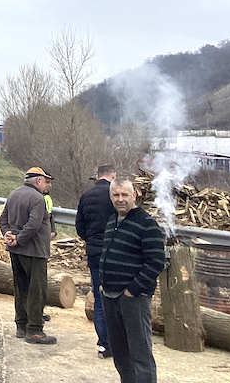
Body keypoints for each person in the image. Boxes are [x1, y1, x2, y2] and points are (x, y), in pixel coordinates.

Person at [99, 178, 165, 383]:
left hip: (133, 298)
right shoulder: (112, 221)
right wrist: (103, 283)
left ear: (134, 196)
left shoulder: (146, 224)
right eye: (116, 195)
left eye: (124, 195)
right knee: (120, 352)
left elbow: (156, 262)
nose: (120, 199)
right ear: (110, 197)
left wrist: (132, 290)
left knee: (140, 353)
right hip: (109, 296)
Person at [0, 167, 57, 345]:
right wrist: (18, 239)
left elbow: (3, 219)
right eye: (46, 181)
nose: (49, 185)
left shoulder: (14, 194)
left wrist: (8, 235)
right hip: (34, 251)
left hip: (16, 252)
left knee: (21, 288)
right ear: (38, 181)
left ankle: (21, 325)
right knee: (37, 291)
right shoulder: (38, 199)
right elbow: (33, 225)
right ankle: (35, 331)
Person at [75, 164, 118, 359]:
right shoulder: (116, 196)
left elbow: (79, 227)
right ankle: (119, 342)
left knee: (99, 297)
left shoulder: (86, 196)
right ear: (113, 176)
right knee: (117, 295)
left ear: (97, 177)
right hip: (115, 252)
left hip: (93, 252)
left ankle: (104, 344)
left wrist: (91, 240)